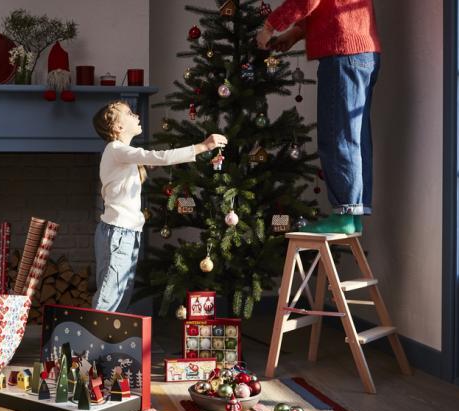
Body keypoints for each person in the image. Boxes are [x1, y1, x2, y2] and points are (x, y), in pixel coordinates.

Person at [257, 0, 381, 233]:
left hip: (343, 53)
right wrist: (295, 33)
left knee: (337, 137)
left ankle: (345, 214)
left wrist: (270, 26)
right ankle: (353, 215)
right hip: (363, 53)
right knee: (355, 137)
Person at [91, 100, 227, 312]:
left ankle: (106, 342)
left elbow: (140, 166)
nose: (136, 115)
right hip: (117, 233)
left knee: (122, 294)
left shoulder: (124, 155)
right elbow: (160, 156)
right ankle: (90, 342)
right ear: (117, 127)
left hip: (128, 233)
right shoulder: (115, 149)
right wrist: (203, 146)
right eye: (129, 113)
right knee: (109, 296)